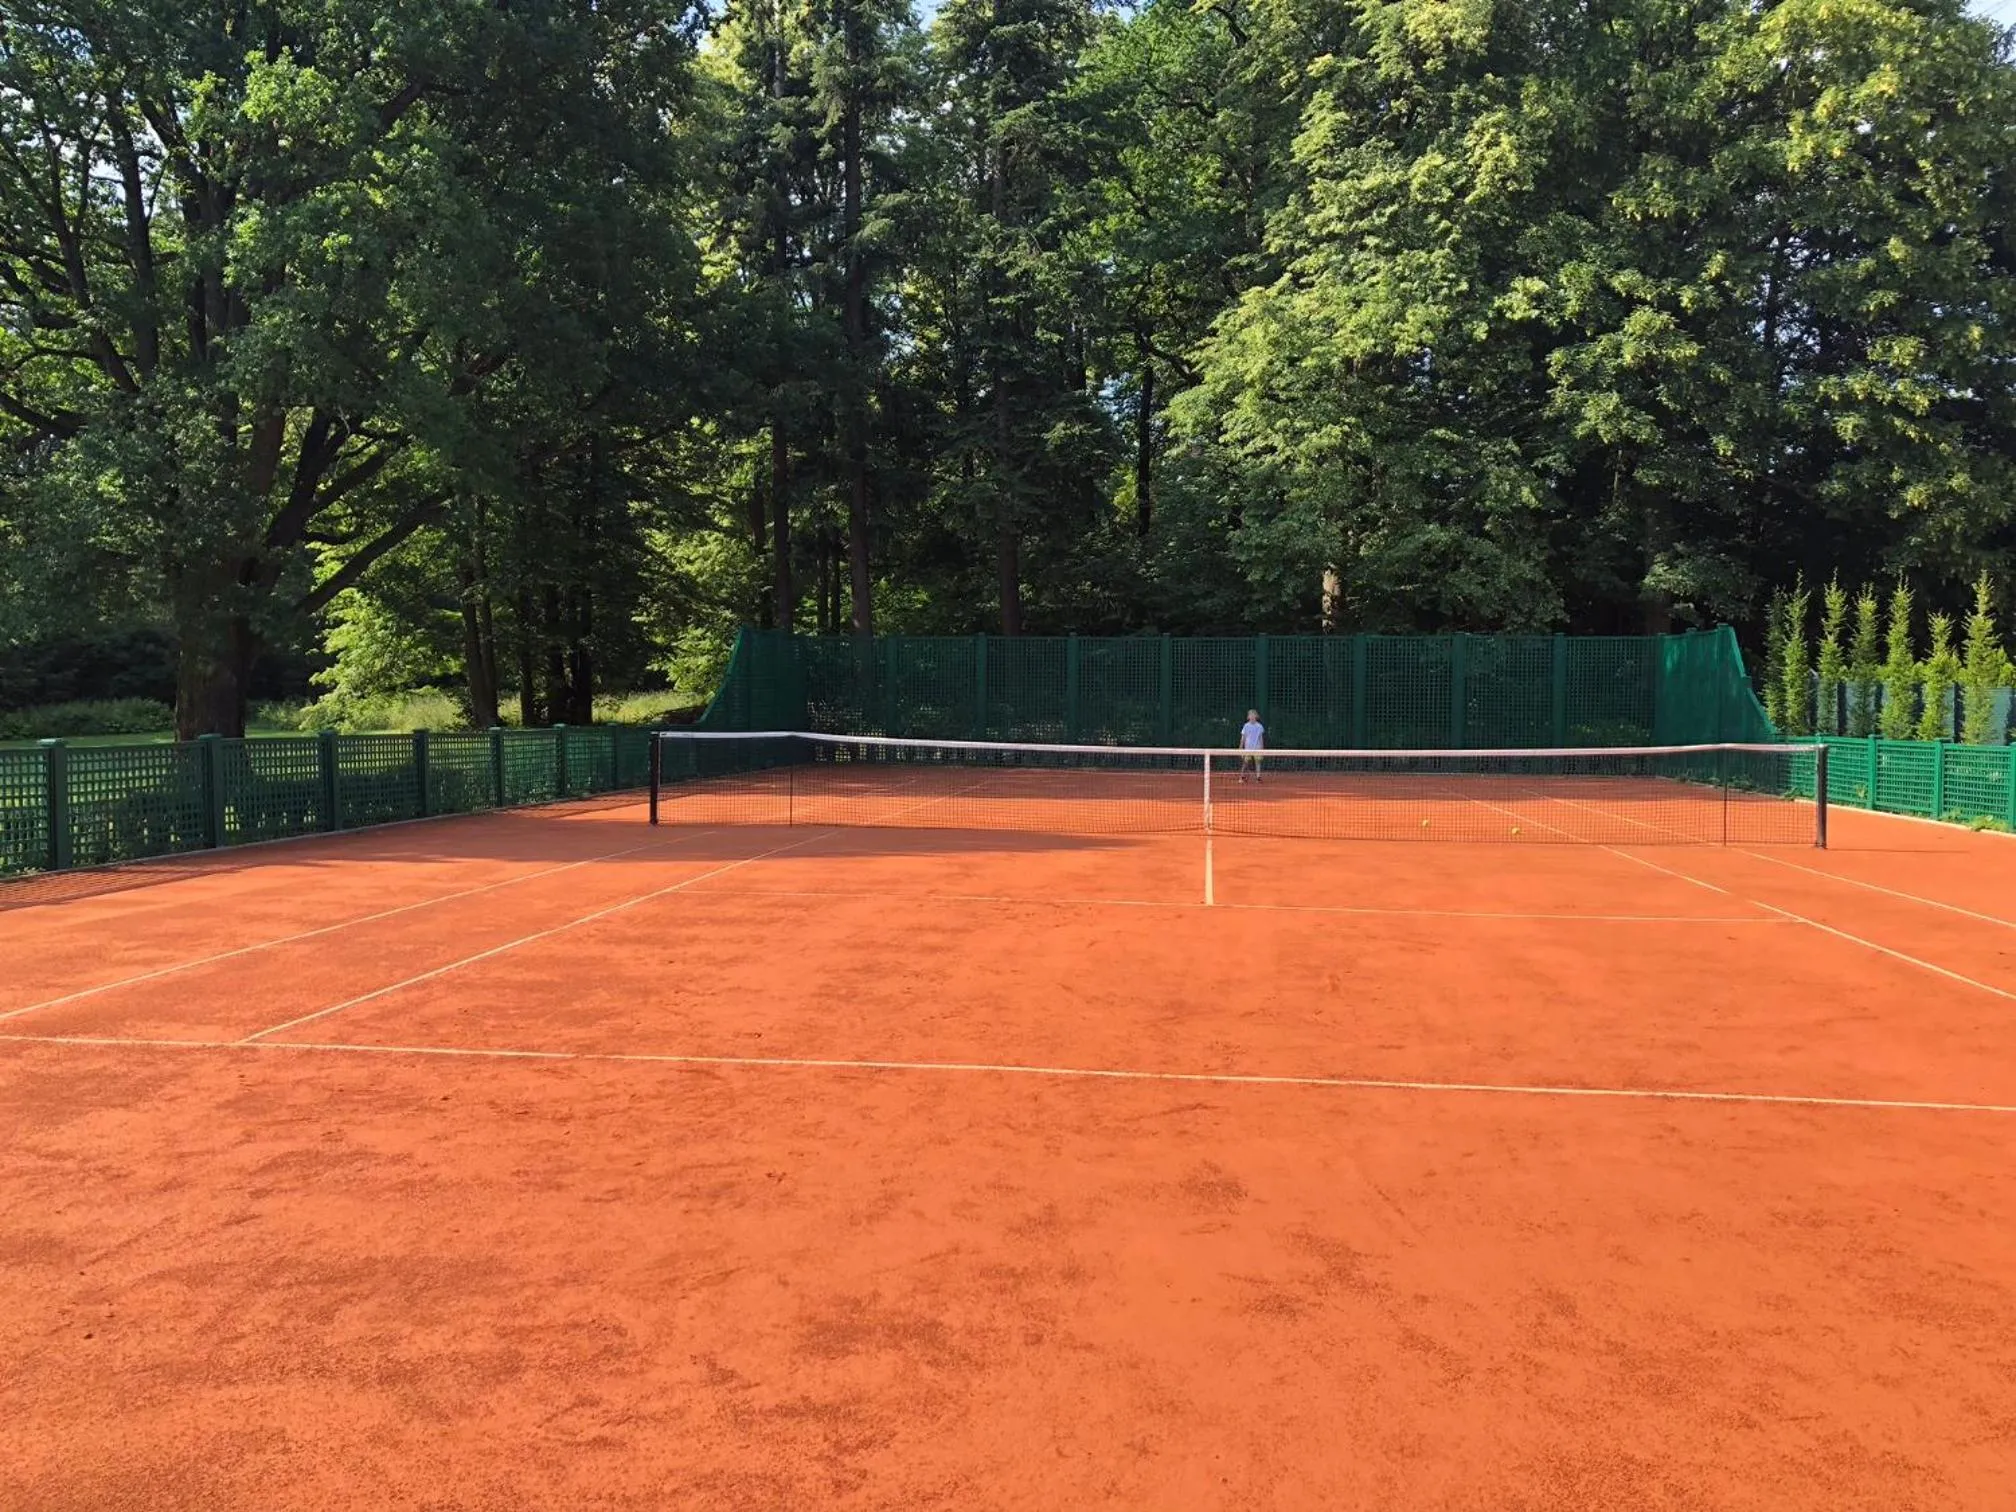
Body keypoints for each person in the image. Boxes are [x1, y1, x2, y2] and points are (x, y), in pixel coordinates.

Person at [1237, 708, 1265, 783]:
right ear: (1248, 717)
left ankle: (1258, 777)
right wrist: (1240, 747)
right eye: (1250, 715)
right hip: (1248, 748)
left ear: (1256, 716)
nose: (1252, 717)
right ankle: (1242, 776)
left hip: (1257, 748)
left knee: (1258, 762)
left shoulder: (1260, 726)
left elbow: (1261, 738)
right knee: (1245, 763)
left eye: (1253, 715)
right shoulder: (1246, 726)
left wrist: (1262, 748)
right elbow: (1243, 737)